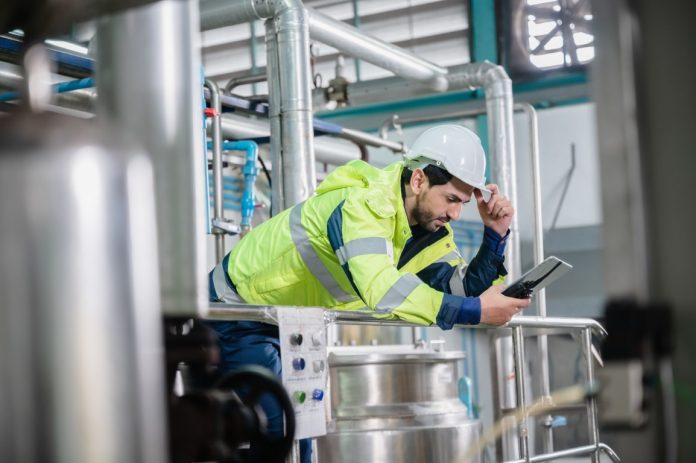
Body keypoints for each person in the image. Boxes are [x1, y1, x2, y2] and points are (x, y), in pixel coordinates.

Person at [207, 124, 531, 462]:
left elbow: (457, 288)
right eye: (451, 199)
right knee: (283, 425)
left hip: (288, 324)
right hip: (236, 312)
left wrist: (495, 236)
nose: (455, 214)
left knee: (302, 431)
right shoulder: (364, 207)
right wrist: (477, 313)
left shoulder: (419, 230)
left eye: (462, 203)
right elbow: (383, 291)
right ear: (418, 180)